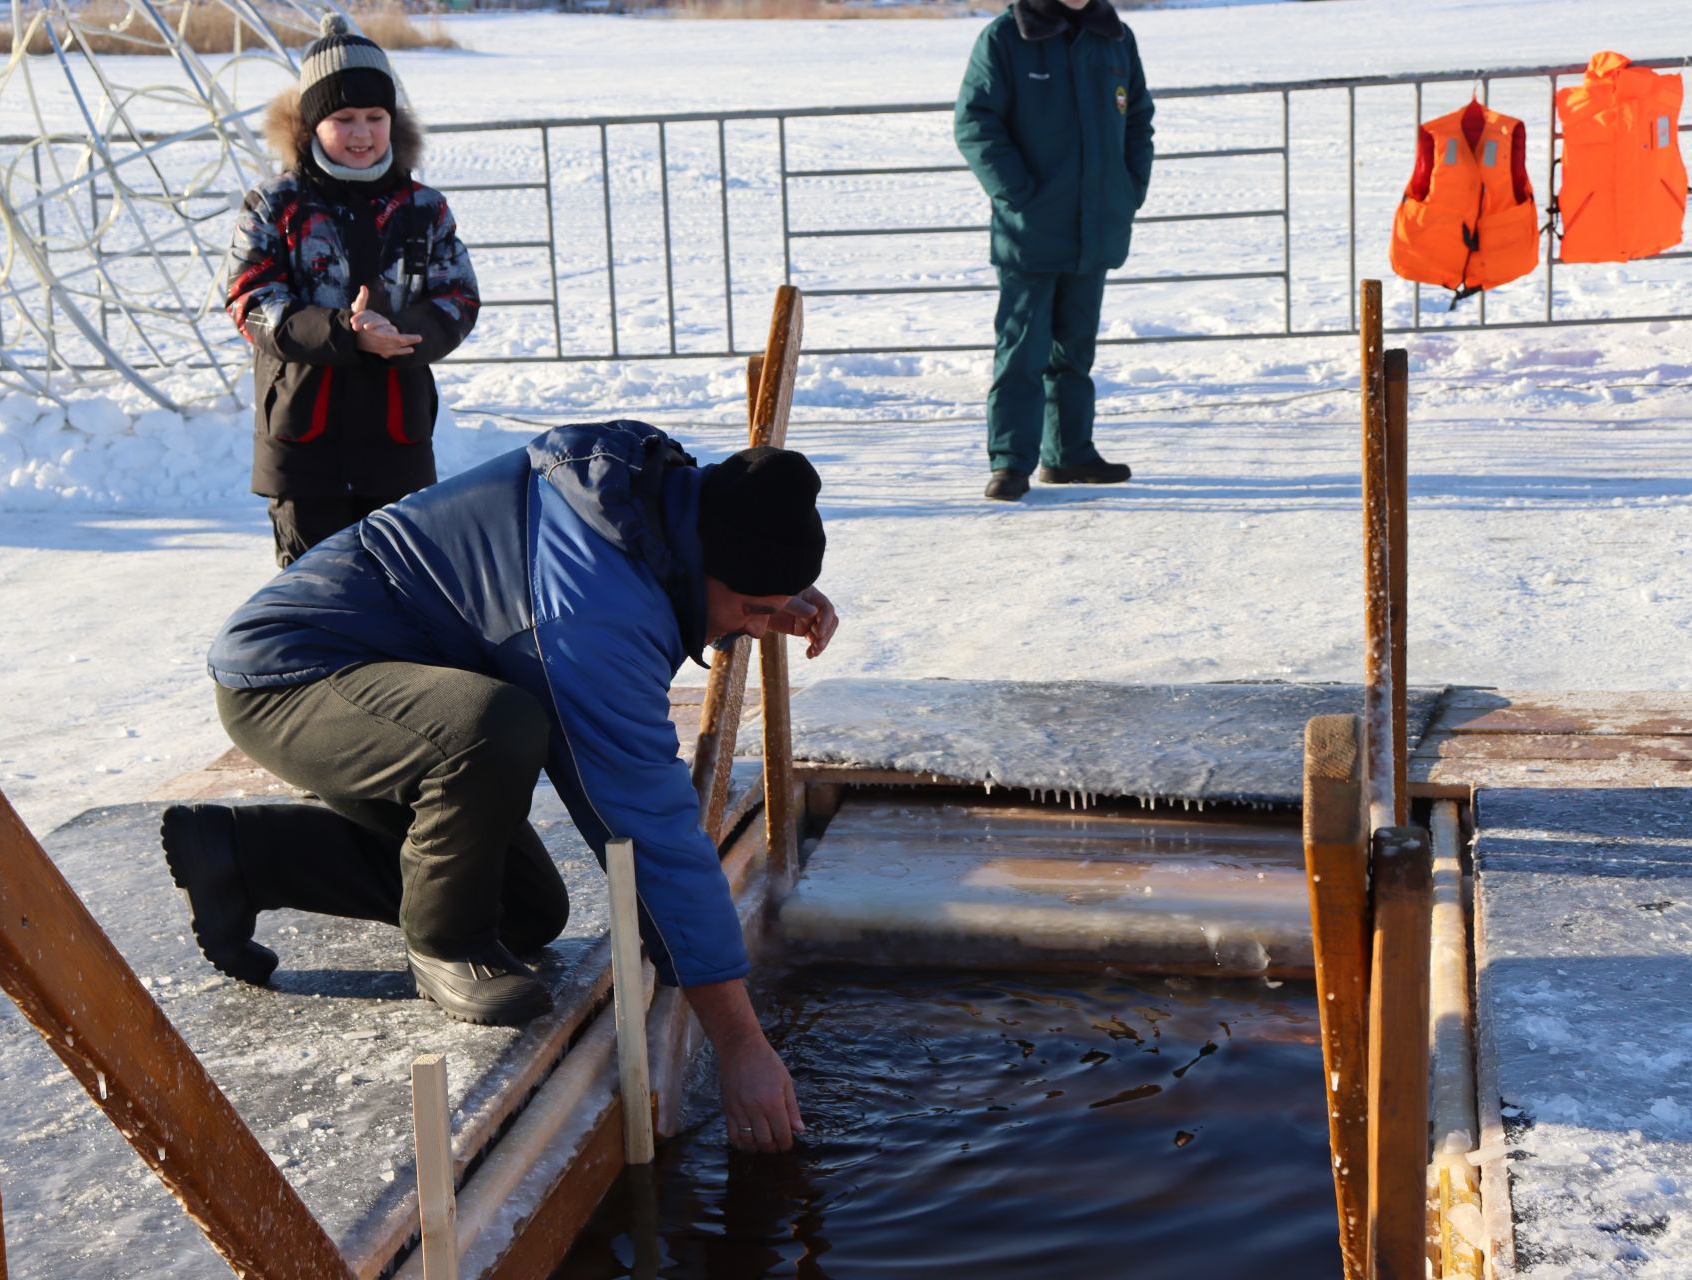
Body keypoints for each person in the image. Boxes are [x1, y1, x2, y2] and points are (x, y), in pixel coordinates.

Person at [161, 420, 837, 1154]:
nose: (759, 628)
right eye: (753, 609)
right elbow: (648, 821)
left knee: (525, 911)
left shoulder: (660, 514)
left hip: (395, 691)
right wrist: (739, 1042)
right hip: (294, 680)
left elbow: (709, 569)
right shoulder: (590, 606)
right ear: (710, 558)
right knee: (496, 729)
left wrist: (768, 595)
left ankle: (239, 853)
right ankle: (444, 947)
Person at [226, 14, 479, 566]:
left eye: (375, 116)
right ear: (310, 125)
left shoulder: (424, 208)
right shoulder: (276, 203)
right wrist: (344, 333)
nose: (362, 133)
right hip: (302, 440)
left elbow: (458, 297)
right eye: (343, 118)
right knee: (316, 601)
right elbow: (249, 298)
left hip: (397, 439)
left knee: (400, 593)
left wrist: (399, 333)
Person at [954, 0, 1154, 502]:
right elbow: (975, 122)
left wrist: (1129, 188)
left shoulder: (1115, 37)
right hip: (1031, 229)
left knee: (1075, 350)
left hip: (1097, 225)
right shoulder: (1007, 38)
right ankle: (1010, 463)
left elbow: (1138, 121)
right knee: (1022, 349)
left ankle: (1068, 455)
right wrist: (1018, 193)